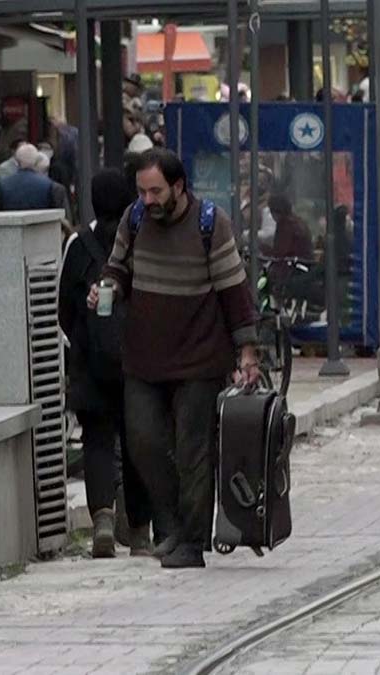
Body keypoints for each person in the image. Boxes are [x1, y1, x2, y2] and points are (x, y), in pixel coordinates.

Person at [89, 148, 260, 569]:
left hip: (199, 359)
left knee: (192, 452)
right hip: (144, 359)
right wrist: (104, 288)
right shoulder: (134, 219)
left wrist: (248, 351)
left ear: (178, 186)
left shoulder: (209, 224)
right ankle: (174, 526)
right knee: (144, 444)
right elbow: (118, 269)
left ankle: (192, 541)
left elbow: (234, 291)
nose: (147, 200)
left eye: (155, 191)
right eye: (142, 192)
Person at [58, 169, 155, 558]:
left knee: (96, 441)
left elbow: (63, 308)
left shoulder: (78, 244)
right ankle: (138, 529)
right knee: (139, 444)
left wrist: (84, 340)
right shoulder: (143, 241)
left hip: (91, 364)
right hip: (139, 361)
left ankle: (101, 517)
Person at [0, 144, 73, 230]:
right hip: (45, 236)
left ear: (17, 161)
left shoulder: (4, 186)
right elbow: (65, 222)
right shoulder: (53, 187)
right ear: (36, 161)